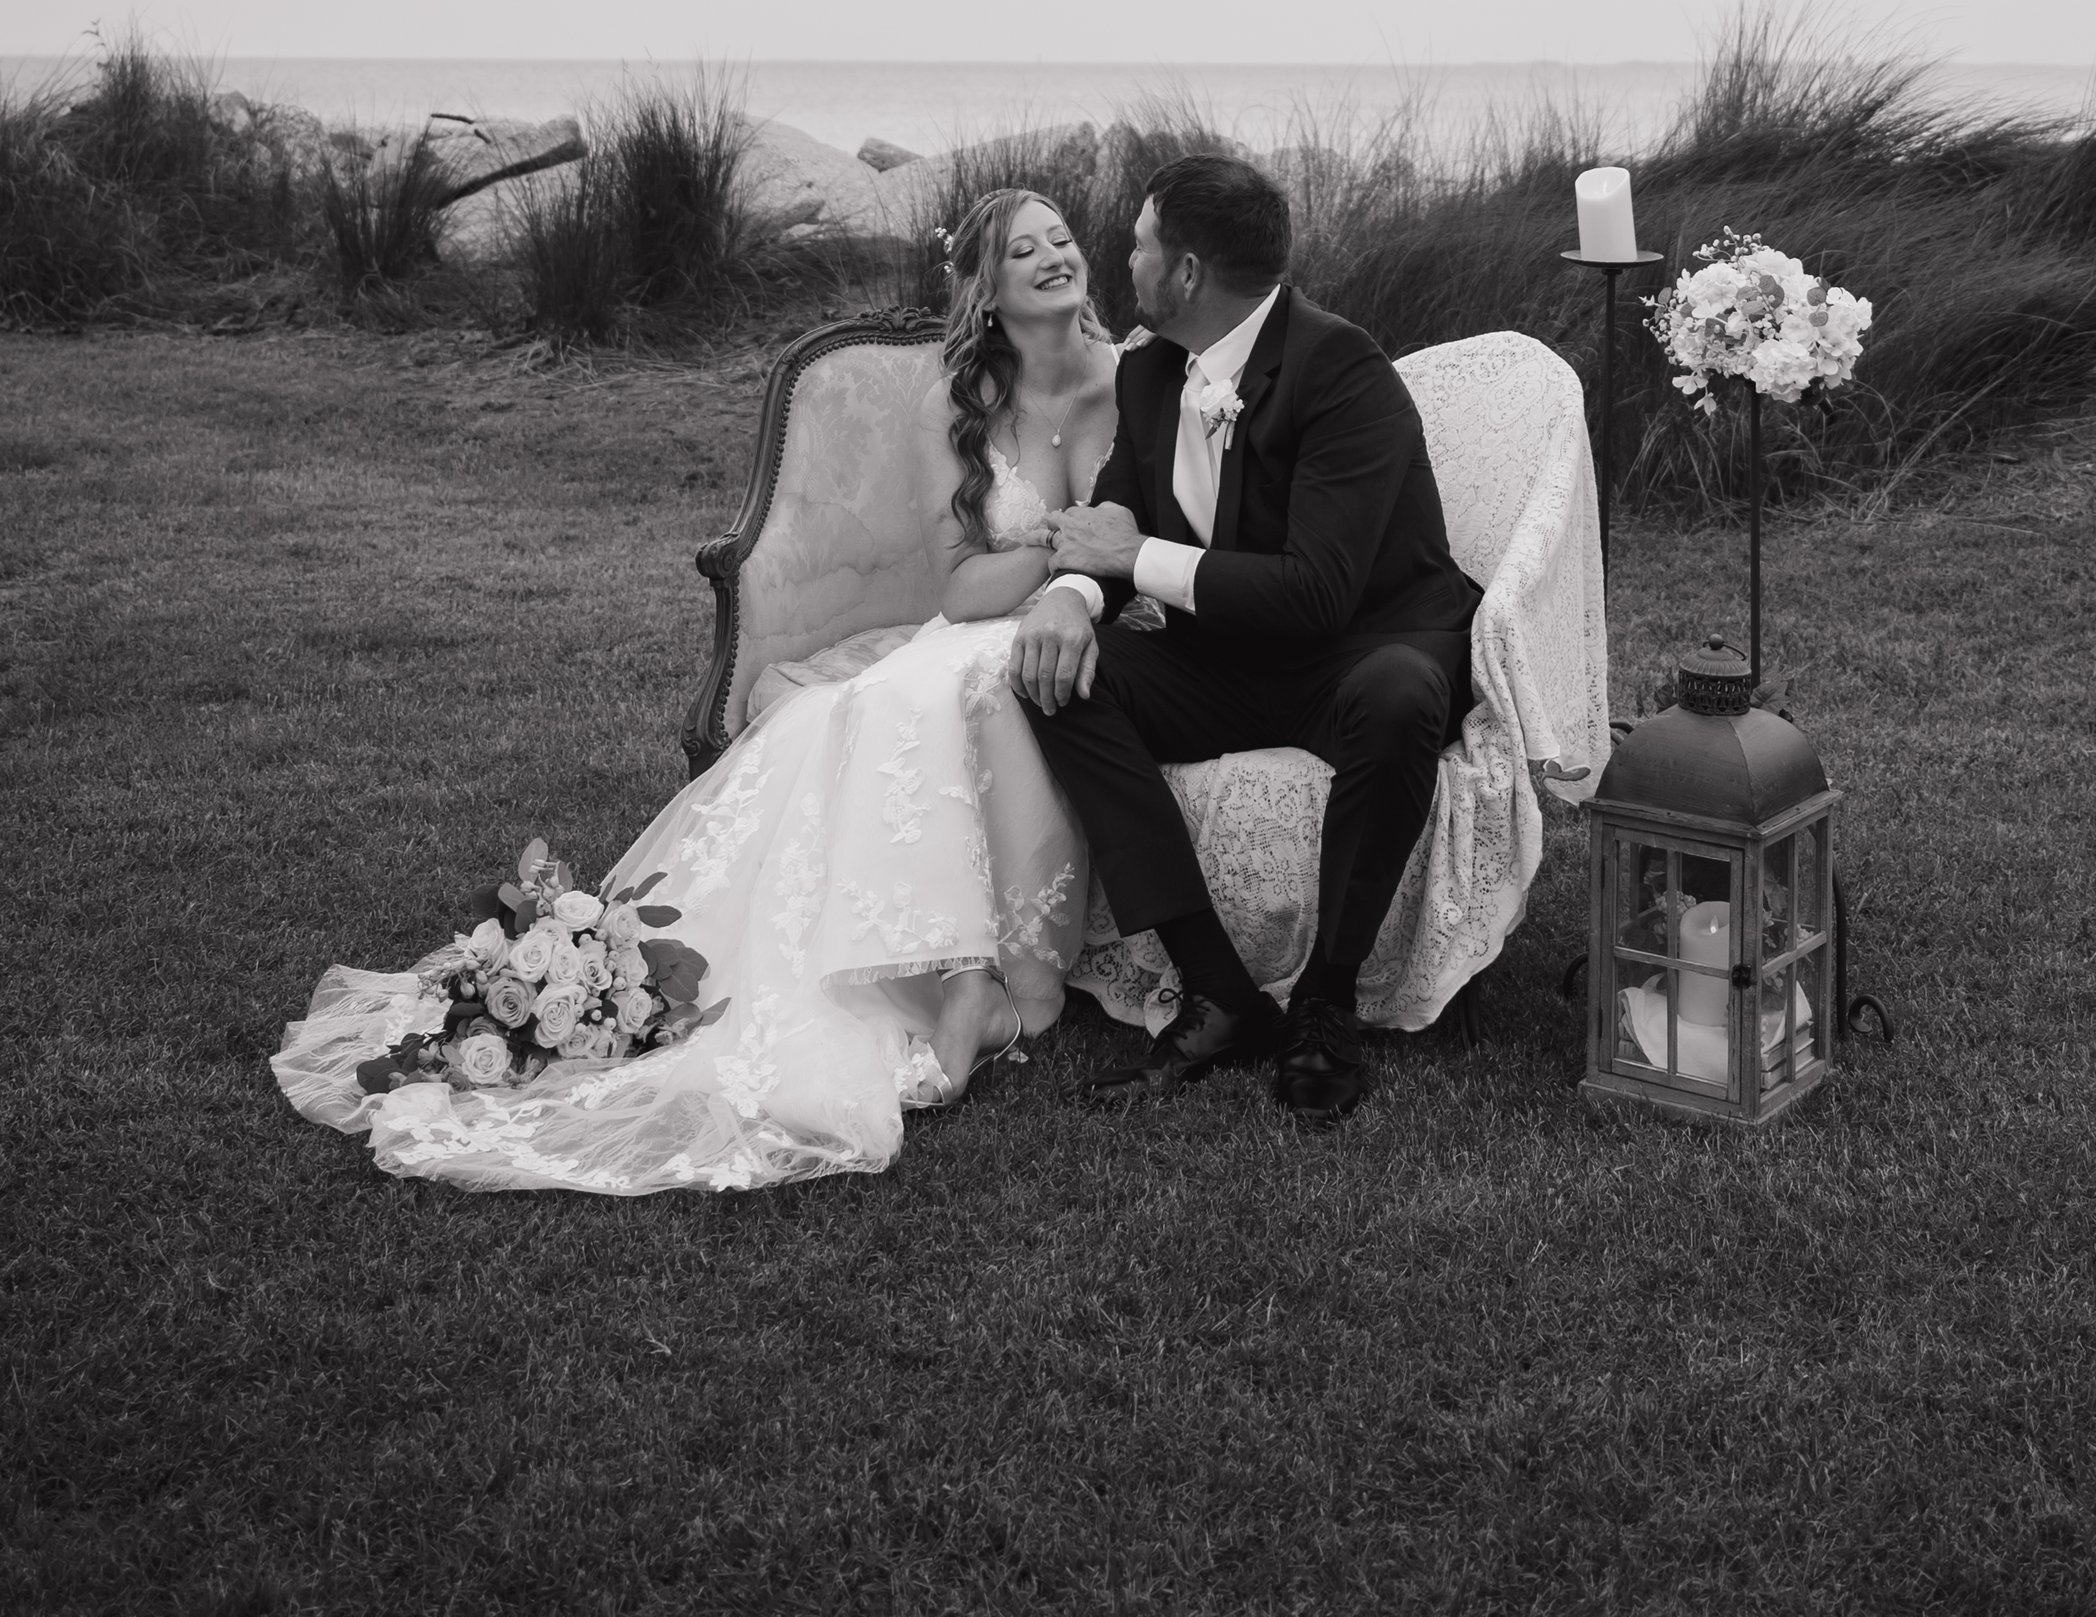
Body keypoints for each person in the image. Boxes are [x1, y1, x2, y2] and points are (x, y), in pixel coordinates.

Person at [271, 192, 1109, 1192]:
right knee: (908, 689)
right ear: (987, 286)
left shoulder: (1125, 379)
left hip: (1087, 622)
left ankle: (973, 982)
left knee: (918, 688)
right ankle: (959, 980)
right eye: (1025, 250)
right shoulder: (958, 403)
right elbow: (965, 589)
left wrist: (1069, 566)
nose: (1055, 256)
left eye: (1061, 237)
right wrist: (1064, 540)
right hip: (983, 627)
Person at [1013, 153, 1481, 1123]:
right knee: (1061, 678)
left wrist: (1133, 554)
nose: (1124, 261)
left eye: (1139, 245)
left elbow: (1316, 593)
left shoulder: (1341, 369)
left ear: (1184, 272)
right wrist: (1066, 594)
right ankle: (1218, 989)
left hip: (1361, 647)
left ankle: (1324, 1001)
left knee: (1400, 695)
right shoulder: (1148, 369)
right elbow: (1118, 516)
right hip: (1227, 657)